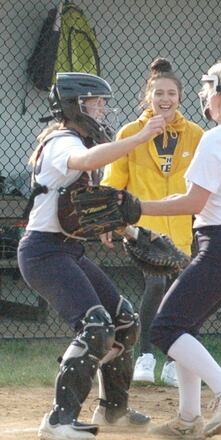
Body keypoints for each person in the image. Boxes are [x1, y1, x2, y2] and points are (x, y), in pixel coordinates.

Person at [19, 72, 165, 439]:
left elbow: (84, 205)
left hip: (68, 249)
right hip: (43, 251)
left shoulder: (79, 139)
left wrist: (127, 231)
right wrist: (140, 137)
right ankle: (58, 421)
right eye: (95, 102)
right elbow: (84, 162)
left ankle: (112, 411)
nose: (102, 109)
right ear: (74, 105)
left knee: (125, 320)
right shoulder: (60, 141)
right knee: (96, 326)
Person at [143, 60, 221, 438]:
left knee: (165, 329)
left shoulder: (217, 137)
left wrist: (138, 208)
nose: (205, 98)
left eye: (210, 90)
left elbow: (193, 201)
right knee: (185, 328)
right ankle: (187, 419)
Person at [102, 58, 204, 387]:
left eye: (171, 93)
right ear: (148, 96)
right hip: (142, 230)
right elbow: (114, 180)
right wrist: (107, 219)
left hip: (182, 231)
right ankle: (146, 355)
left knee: (185, 293)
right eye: (158, 92)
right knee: (156, 284)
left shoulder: (196, 135)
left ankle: (176, 362)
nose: (165, 99)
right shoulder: (130, 133)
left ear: (180, 97)